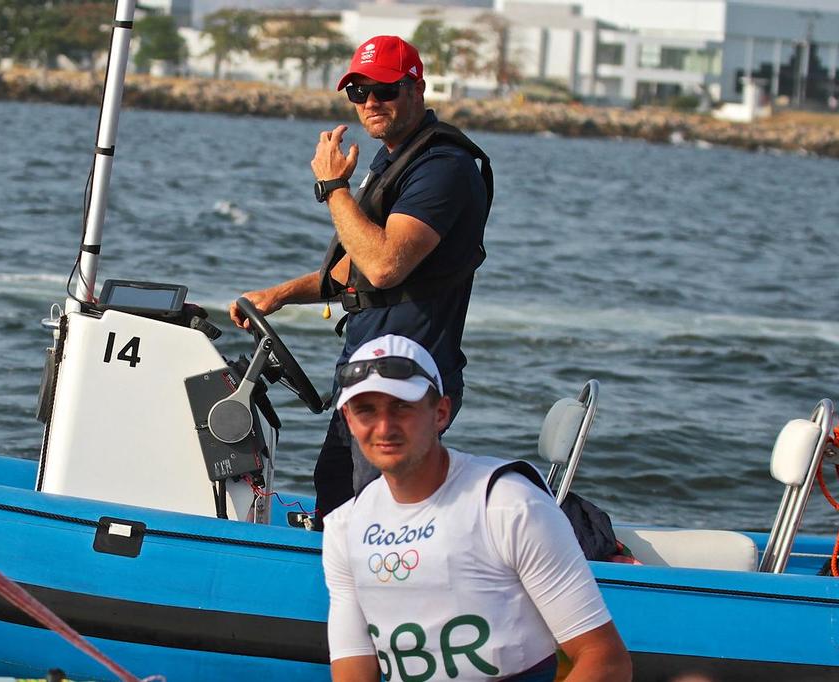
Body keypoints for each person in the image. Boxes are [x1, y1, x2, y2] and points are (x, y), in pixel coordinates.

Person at [229, 35, 493, 523]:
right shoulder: (396, 160)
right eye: (359, 92)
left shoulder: (442, 168)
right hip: (368, 371)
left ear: (417, 89)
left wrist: (334, 188)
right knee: (337, 493)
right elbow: (354, 272)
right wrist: (280, 295)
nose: (371, 102)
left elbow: (385, 265)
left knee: (369, 516)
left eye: (385, 90)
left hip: (407, 379)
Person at [322, 334, 632, 682]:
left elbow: (605, 660)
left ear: (440, 413)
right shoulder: (344, 527)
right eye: (367, 410)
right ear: (349, 420)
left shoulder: (510, 505)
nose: (384, 427)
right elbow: (352, 670)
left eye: (401, 407)